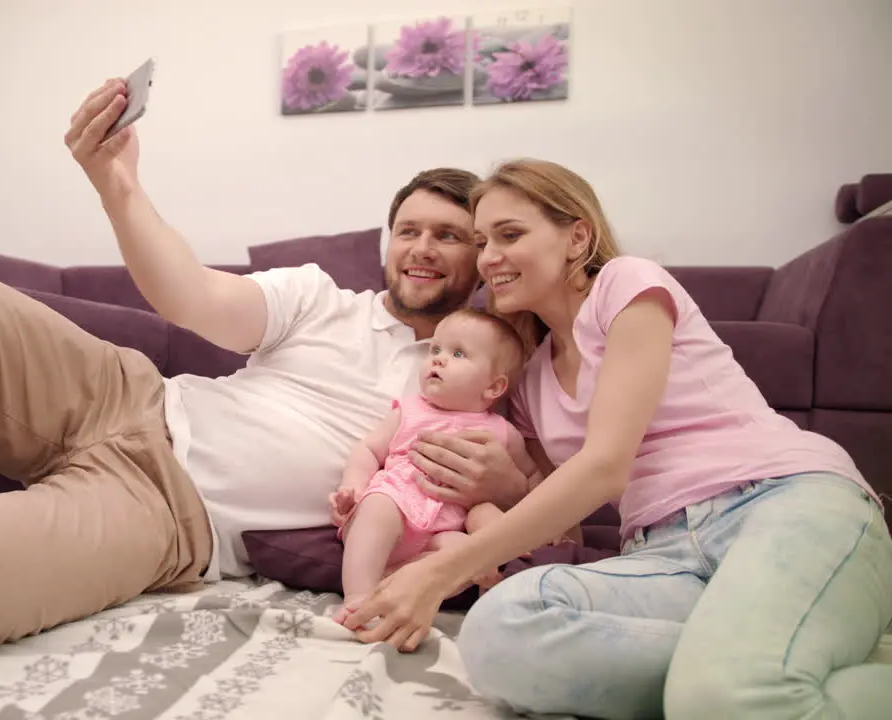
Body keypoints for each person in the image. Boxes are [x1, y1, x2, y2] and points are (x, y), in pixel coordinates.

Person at [0, 77, 532, 656]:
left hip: (169, 514)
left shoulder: (491, 379)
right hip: (127, 397)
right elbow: (190, 296)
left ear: (484, 255)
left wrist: (514, 480)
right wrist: (116, 183)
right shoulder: (320, 298)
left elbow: (547, 491)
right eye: (409, 229)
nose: (422, 248)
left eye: (450, 235)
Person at [339, 158, 892, 718]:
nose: (489, 259)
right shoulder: (528, 382)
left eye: (509, 235)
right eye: (482, 242)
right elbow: (565, 520)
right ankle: (764, 662)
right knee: (499, 633)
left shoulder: (626, 285)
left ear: (578, 236)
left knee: (724, 697)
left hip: (779, 500)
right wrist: (498, 490)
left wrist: (439, 572)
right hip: (662, 555)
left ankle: (742, 678)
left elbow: (606, 466)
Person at [328, 308, 541, 625]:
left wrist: (540, 516)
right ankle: (359, 598)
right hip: (395, 506)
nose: (438, 359)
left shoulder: (502, 433)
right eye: (435, 350)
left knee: (470, 550)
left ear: (494, 387)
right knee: (377, 508)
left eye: (457, 353)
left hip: (445, 529)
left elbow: (533, 476)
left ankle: (483, 593)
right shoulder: (410, 411)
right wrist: (355, 486)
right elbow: (368, 450)